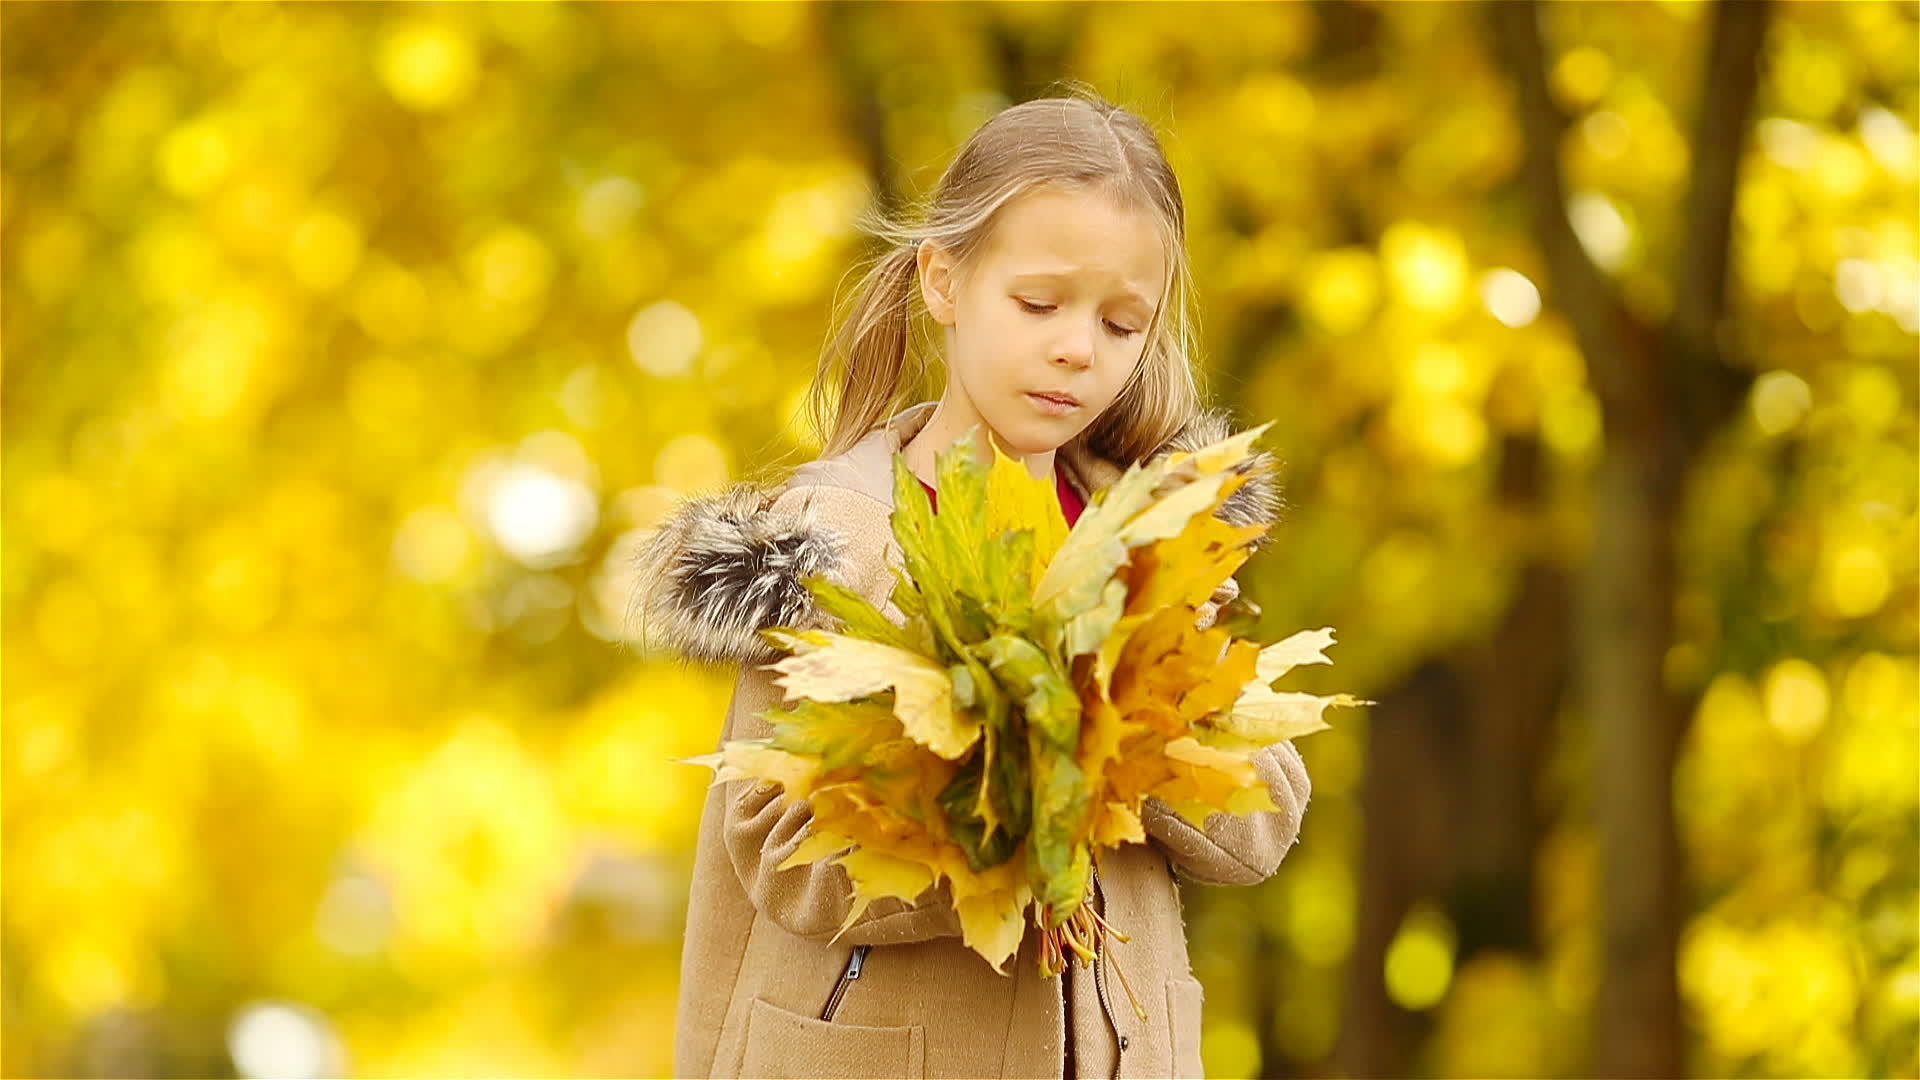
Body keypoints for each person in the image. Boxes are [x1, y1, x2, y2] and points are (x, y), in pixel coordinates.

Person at [627, 85, 1311, 1080]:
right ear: (944, 282)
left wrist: (1134, 718)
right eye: (1039, 304)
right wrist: (1017, 816)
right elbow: (787, 855)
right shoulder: (838, 542)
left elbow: (1259, 827)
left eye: (1123, 326)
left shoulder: (1154, 543)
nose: (1077, 347)